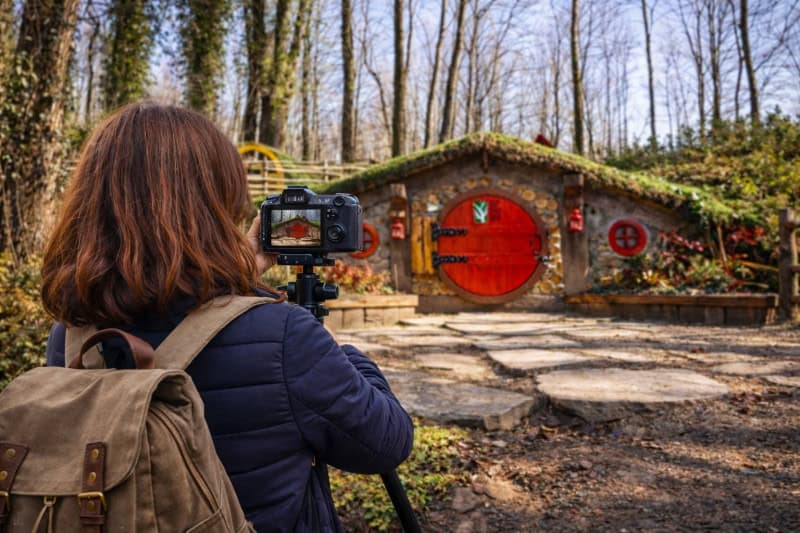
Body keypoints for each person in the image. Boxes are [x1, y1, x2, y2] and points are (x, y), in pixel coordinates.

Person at [40, 102, 414, 532]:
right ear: (214, 206)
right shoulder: (285, 336)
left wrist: (233, 279)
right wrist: (347, 355)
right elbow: (387, 443)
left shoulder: (73, 338)